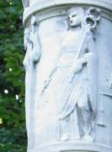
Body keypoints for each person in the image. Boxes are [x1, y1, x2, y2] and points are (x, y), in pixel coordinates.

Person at [41, 7, 98, 142]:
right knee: (63, 103)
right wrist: (50, 75)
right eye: (69, 18)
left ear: (81, 16)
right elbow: (57, 57)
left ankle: (87, 132)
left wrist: (82, 61)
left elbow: (93, 54)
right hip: (63, 71)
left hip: (79, 72)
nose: (71, 19)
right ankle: (64, 133)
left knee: (83, 103)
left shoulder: (86, 35)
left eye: (74, 16)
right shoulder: (65, 36)